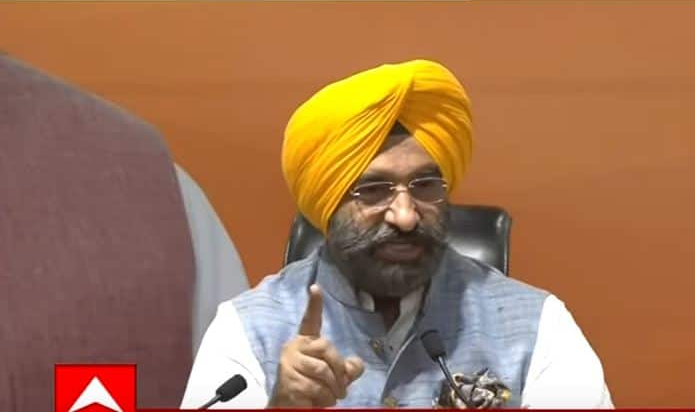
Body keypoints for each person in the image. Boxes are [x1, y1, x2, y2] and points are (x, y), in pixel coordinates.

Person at [180, 59, 613, 409]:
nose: (405, 216)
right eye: (372, 191)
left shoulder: (537, 325)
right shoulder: (247, 328)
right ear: (327, 206)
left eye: (425, 186)